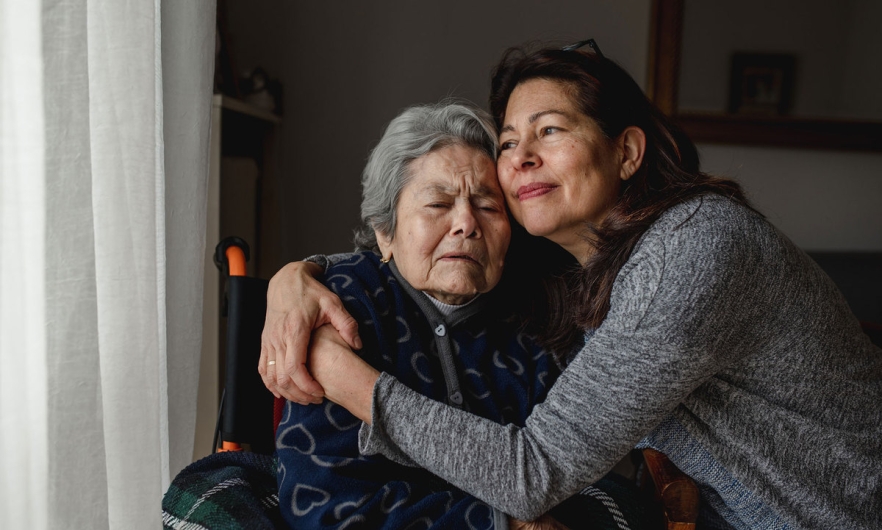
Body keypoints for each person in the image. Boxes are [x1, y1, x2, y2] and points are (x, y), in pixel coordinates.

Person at [261, 44, 882, 530]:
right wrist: (297, 277)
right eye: (509, 142)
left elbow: (535, 473)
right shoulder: (581, 266)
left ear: (627, 152)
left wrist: (335, 371)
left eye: (550, 130)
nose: (523, 156)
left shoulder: (691, 251)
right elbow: (419, 249)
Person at [273, 101, 646, 530]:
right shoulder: (342, 307)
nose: (466, 223)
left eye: (488, 207)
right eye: (437, 204)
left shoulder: (544, 317)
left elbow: (584, 478)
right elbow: (326, 503)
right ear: (385, 232)